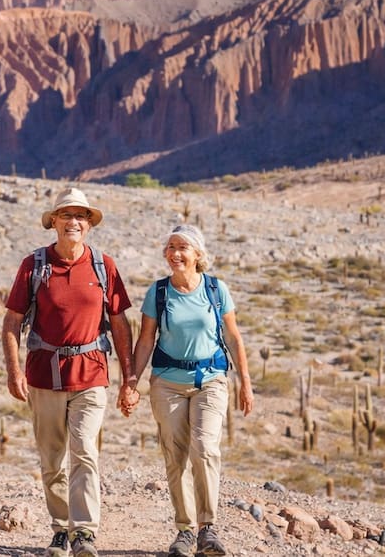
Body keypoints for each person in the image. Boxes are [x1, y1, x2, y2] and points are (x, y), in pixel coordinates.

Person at [1, 188, 136, 557]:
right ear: (54, 222)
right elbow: (12, 321)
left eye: (81, 216)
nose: (74, 222)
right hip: (43, 376)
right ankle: (60, 529)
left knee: (85, 452)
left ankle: (84, 532)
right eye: (67, 215)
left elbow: (120, 323)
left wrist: (129, 377)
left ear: (89, 225)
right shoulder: (34, 265)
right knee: (52, 458)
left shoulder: (103, 266)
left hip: (91, 373)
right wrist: (14, 371)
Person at [119, 225, 254, 557]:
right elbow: (146, 339)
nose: (175, 253)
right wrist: (131, 382)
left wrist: (246, 384)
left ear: (197, 254)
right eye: (170, 247)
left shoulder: (216, 289)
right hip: (167, 383)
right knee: (175, 455)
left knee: (205, 448)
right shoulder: (159, 292)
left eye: (182, 247)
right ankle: (184, 531)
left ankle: (208, 528)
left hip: (211, 380)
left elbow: (234, 337)